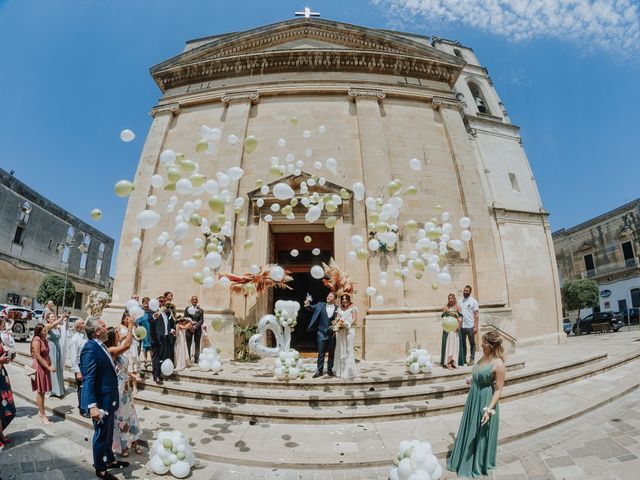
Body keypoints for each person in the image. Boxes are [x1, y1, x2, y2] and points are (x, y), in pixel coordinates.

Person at [447, 331, 505, 478]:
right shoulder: (484, 357)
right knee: (470, 428)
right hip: (473, 397)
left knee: (480, 433)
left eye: (484, 343)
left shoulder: (499, 364)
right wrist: (472, 379)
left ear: (491, 346)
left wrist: (488, 410)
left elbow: (498, 390)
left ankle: (477, 463)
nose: (482, 345)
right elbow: (479, 373)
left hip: (485, 400)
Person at [80, 318, 128, 480]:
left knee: (108, 433)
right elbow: (89, 379)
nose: (107, 328)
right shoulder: (90, 348)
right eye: (103, 326)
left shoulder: (100, 346)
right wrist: (92, 406)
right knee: (101, 434)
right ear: (97, 332)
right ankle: (100, 469)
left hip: (109, 399)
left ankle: (110, 460)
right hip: (101, 402)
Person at [106, 314, 142, 457]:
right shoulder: (111, 351)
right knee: (121, 417)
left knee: (131, 415)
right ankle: (122, 445)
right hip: (118, 390)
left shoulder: (117, 347)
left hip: (126, 390)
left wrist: (132, 376)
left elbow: (122, 368)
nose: (118, 333)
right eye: (116, 333)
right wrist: (130, 326)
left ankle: (133, 441)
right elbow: (127, 345)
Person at [304, 291, 338, 378]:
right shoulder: (320, 304)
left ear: (334, 299)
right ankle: (319, 371)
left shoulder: (338, 308)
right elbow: (311, 308)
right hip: (321, 332)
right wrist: (307, 304)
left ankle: (329, 370)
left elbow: (338, 321)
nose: (328, 297)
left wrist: (336, 330)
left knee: (331, 353)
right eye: (328, 295)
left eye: (330, 296)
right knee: (321, 352)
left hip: (332, 333)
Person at [30, 322, 57, 424]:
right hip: (40, 367)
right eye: (44, 331)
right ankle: (43, 415)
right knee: (40, 391)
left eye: (46, 330)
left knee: (43, 391)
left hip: (45, 367)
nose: (46, 332)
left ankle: (41, 412)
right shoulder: (36, 340)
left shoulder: (44, 340)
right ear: (39, 332)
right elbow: (38, 356)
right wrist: (48, 366)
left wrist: (50, 364)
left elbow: (46, 354)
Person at [150, 296, 175, 384]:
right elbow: (151, 319)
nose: (162, 303)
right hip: (156, 339)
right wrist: (156, 314)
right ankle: (155, 375)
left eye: (163, 301)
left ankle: (159, 373)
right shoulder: (153, 311)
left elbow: (165, 325)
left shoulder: (165, 313)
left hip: (164, 338)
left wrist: (171, 330)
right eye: (160, 301)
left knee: (162, 357)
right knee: (156, 357)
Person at [333, 293, 358, 379]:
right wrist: (337, 323)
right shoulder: (339, 309)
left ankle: (349, 371)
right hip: (341, 331)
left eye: (345, 299)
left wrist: (348, 324)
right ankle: (341, 370)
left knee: (348, 349)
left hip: (350, 330)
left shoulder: (353, 308)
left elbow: (354, 318)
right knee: (340, 349)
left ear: (348, 299)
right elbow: (337, 318)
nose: (344, 300)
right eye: (343, 299)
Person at [68, 318, 89, 417]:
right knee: (81, 387)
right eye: (83, 323)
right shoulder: (75, 339)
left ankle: (87, 406)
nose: (85, 324)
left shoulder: (85, 336)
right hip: (80, 366)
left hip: (87, 365)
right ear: (78, 327)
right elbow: (73, 356)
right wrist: (77, 371)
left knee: (87, 387)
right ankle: (82, 408)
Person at [0, 317, 16, 447]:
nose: (4, 326)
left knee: (5, 407)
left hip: (1, 374)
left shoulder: (0, 338)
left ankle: (0, 435)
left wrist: (10, 354)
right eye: (2, 324)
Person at [46, 311, 69, 397]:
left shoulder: (57, 327)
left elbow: (65, 328)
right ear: (48, 319)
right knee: (53, 367)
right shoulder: (47, 326)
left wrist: (67, 319)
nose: (53, 318)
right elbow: (52, 326)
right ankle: (51, 390)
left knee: (58, 368)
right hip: (50, 349)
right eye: (52, 317)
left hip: (57, 348)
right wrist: (62, 318)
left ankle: (59, 389)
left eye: (54, 316)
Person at [441, 294, 464, 369]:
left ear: (454, 299)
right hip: (448, 331)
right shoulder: (445, 308)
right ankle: (448, 363)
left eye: (451, 298)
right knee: (449, 346)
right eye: (449, 298)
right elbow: (443, 319)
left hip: (455, 330)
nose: (450, 300)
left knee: (455, 346)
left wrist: (459, 326)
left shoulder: (458, 307)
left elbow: (460, 318)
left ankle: (453, 362)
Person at [458, 285, 480, 366]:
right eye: (464, 290)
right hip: (462, 327)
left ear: (470, 292)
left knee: (472, 343)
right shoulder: (460, 301)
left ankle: (472, 359)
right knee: (463, 344)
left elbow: (476, 315)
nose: (465, 292)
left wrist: (476, 326)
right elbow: (459, 314)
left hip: (470, 326)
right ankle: (463, 359)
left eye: (467, 291)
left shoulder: (473, 301)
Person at [119, 313, 140, 379]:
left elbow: (138, 338)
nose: (128, 321)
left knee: (133, 366)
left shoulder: (134, 326)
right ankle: (126, 386)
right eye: (127, 319)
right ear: (123, 319)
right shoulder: (120, 327)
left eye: (129, 319)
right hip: (124, 348)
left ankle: (134, 386)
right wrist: (128, 335)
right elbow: (119, 338)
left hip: (132, 347)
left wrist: (133, 334)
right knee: (125, 366)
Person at [183, 296, 204, 363]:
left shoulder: (200, 310)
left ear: (197, 301)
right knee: (188, 344)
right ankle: (188, 358)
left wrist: (195, 327)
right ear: (191, 301)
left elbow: (201, 320)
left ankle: (196, 358)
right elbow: (185, 318)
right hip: (189, 329)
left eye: (196, 300)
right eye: (193, 299)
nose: (194, 301)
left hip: (197, 330)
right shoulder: (187, 309)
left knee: (197, 344)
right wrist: (190, 326)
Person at [137, 297, 153, 369]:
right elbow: (138, 323)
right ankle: (145, 360)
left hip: (151, 331)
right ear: (143, 304)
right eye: (145, 303)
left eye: (147, 303)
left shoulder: (152, 312)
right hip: (144, 331)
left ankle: (152, 361)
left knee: (151, 346)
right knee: (145, 346)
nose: (146, 305)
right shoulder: (141, 313)